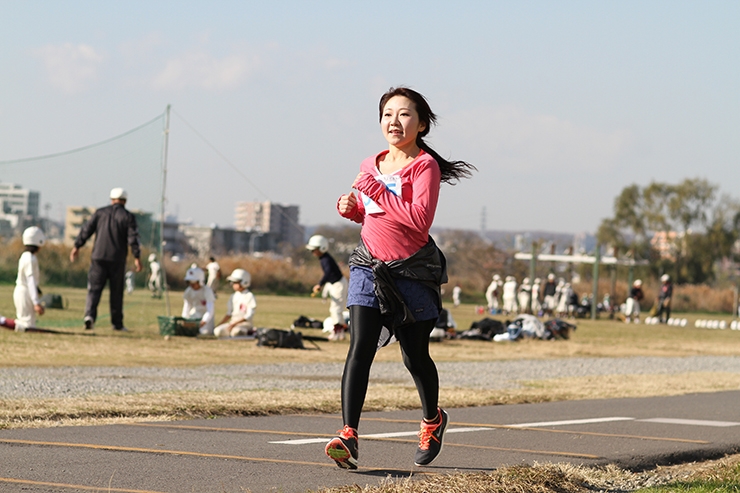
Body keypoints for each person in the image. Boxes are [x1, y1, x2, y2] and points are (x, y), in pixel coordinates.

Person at [327, 86, 474, 469]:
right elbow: (373, 213)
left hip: (412, 272)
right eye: (388, 114)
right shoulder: (370, 163)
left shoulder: (425, 167)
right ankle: (348, 435)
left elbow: (418, 220)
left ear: (421, 124)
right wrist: (353, 209)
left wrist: (374, 189)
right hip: (368, 266)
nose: (395, 121)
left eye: (405, 114)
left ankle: (432, 420)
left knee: (415, 356)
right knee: (360, 347)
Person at [70, 187, 142, 331]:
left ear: (111, 199)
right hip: (117, 259)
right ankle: (117, 324)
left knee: (94, 289)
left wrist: (77, 246)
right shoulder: (128, 216)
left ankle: (89, 316)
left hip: (98, 257)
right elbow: (132, 238)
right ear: (125, 201)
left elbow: (86, 230)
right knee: (116, 293)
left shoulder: (100, 213)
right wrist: (137, 257)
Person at [306, 234, 348, 341]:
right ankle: (340, 333)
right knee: (335, 309)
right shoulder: (323, 259)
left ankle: (337, 332)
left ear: (322, 248)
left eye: (314, 249)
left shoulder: (326, 259)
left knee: (336, 309)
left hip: (338, 284)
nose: (312, 252)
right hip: (334, 284)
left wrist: (320, 284)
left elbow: (328, 273)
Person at [13, 227, 46, 332]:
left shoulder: (25, 256)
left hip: (22, 291)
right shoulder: (30, 258)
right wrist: (36, 302)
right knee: (26, 326)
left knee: (28, 324)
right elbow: (30, 280)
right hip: (24, 292)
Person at [213, 268, 257, 338]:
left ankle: (251, 332)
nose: (233, 285)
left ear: (244, 282)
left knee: (236, 332)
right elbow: (229, 313)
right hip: (232, 323)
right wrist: (219, 324)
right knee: (217, 331)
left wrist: (234, 324)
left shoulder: (249, 296)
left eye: (236, 282)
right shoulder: (233, 296)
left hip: (245, 324)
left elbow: (249, 315)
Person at [182, 266, 216, 335]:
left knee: (204, 332)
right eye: (189, 282)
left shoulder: (207, 291)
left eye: (194, 282)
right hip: (195, 315)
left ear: (200, 281)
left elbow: (210, 310)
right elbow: (187, 306)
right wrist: (185, 319)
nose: (192, 285)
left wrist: (204, 321)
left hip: (205, 317)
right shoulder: (188, 291)